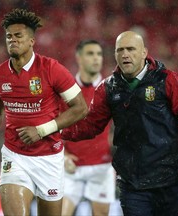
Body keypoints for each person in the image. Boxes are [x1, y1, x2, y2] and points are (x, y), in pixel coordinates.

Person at [62, 31, 178, 216]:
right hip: (133, 184)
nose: (125, 54)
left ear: (144, 52)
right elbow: (90, 126)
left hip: (171, 181)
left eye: (131, 49)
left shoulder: (169, 81)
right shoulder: (108, 88)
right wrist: (55, 130)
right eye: (120, 50)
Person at [0, 8, 88, 216]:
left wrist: (42, 130)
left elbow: (81, 107)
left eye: (19, 36)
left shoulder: (52, 69)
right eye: (9, 36)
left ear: (31, 41)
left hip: (49, 157)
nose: (13, 40)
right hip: (15, 156)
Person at [61, 40, 115, 216]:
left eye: (99, 54)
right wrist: (62, 156)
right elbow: (54, 127)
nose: (96, 58)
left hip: (101, 166)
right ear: (79, 57)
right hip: (71, 166)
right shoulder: (65, 90)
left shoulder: (111, 89)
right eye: (90, 54)